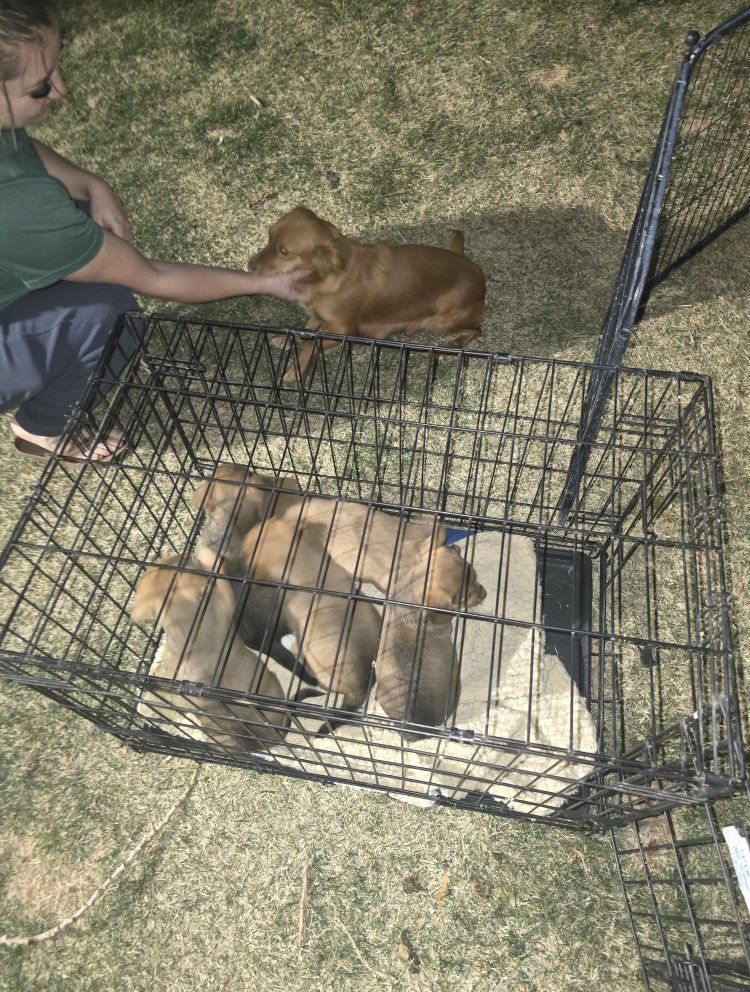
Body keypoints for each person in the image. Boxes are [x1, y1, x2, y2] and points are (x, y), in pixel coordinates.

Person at [0, 1, 305, 462]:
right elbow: (152, 277)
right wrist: (266, 284)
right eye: (40, 87)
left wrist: (90, 184)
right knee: (108, 310)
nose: (60, 91)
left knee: (76, 212)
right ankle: (42, 429)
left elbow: (19, 147)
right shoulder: (20, 204)